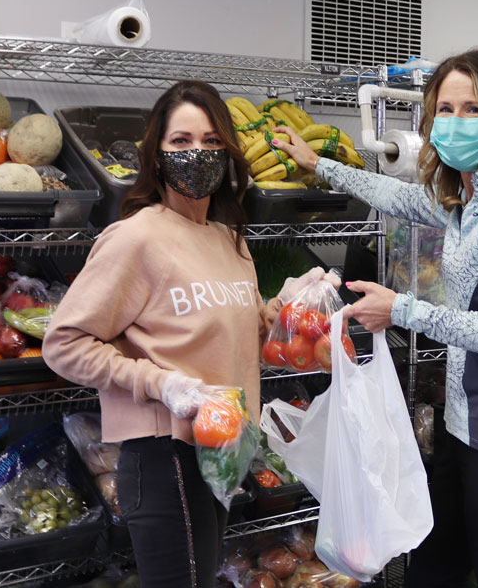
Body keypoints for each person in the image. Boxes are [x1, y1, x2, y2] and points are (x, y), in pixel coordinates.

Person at [274, 49, 478, 588]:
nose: (455, 124)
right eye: (445, 110)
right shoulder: (470, 197)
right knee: (431, 573)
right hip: (464, 431)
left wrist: (403, 309)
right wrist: (322, 167)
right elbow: (401, 196)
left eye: (473, 109)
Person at [43, 80, 332, 588]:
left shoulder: (229, 240)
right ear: (155, 154)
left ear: (228, 153)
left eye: (211, 141)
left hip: (223, 450)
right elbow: (64, 344)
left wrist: (285, 307)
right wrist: (161, 384)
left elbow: (230, 334)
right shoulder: (136, 237)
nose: (197, 154)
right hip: (166, 457)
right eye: (180, 142)